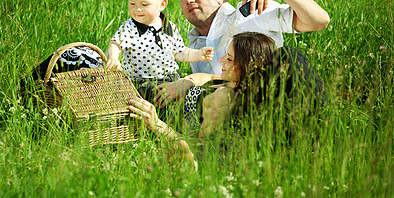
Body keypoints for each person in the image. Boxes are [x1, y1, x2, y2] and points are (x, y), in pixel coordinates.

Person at [128, 32, 327, 170]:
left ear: (248, 68)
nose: (222, 60)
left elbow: (198, 145)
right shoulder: (234, 82)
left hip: (160, 110)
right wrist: (185, 82)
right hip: (167, 92)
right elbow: (204, 78)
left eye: (230, 59)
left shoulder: (225, 99)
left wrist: (156, 124)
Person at [153, 0, 330, 107]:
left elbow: (319, 20)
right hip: (242, 117)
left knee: (287, 55)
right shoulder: (193, 47)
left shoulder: (250, 13)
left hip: (281, 100)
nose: (188, 0)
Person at [105, 0, 214, 109]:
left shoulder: (169, 28)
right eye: (132, 4)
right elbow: (115, 43)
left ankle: (173, 124)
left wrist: (198, 54)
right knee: (143, 107)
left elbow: (180, 53)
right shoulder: (130, 27)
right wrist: (113, 57)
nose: (137, 10)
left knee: (175, 107)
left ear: (162, 5)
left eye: (144, 5)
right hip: (141, 83)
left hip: (170, 80)